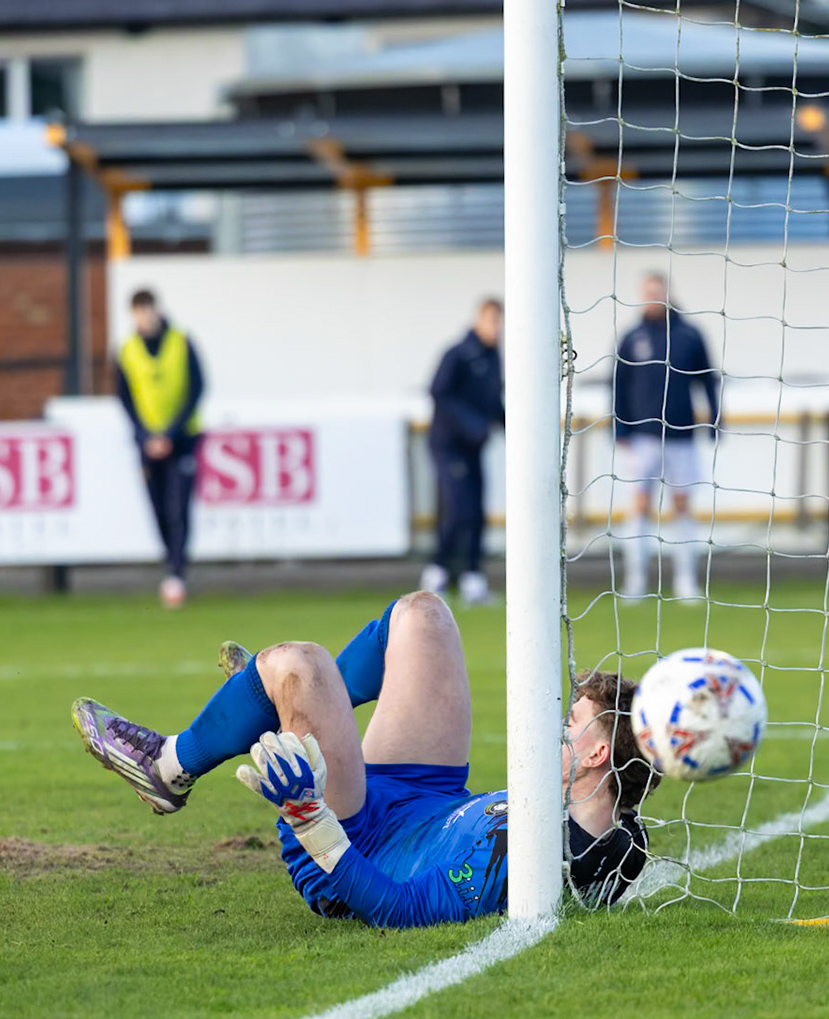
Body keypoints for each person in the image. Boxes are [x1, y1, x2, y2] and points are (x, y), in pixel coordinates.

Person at [72, 591, 656, 926]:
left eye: (570, 725)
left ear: (597, 753)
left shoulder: (525, 860)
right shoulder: (613, 834)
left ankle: (169, 768)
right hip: (427, 794)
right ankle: (280, 705)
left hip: (355, 841)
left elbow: (397, 907)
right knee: (423, 616)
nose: (552, 730)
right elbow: (617, 833)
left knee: (299, 662)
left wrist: (315, 825)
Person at [613, 272, 720, 600]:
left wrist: (715, 418)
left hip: (681, 435)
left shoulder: (688, 335)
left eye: (657, 292)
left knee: (682, 505)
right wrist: (620, 428)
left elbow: (708, 378)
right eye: (647, 293)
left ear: (667, 294)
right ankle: (636, 582)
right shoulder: (632, 337)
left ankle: (686, 582)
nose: (653, 298)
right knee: (640, 505)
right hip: (642, 437)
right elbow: (618, 383)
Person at [115, 288, 205, 609]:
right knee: (158, 509)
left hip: (181, 441)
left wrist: (170, 433)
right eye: (139, 312)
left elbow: (197, 389)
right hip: (148, 445)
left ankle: (176, 573)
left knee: (178, 507)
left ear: (157, 311)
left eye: (149, 310)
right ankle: (172, 564)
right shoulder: (127, 350)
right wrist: (145, 436)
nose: (145, 317)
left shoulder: (181, 342)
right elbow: (124, 398)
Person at [421, 297, 505, 607]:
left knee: (476, 513)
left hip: (473, 448)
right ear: (478, 320)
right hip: (449, 445)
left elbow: (495, 402)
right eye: (491, 321)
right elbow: (438, 392)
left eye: (499, 322)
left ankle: (472, 578)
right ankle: (436, 575)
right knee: (457, 510)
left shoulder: (493, 356)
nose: (495, 328)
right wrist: (471, 424)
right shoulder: (457, 354)